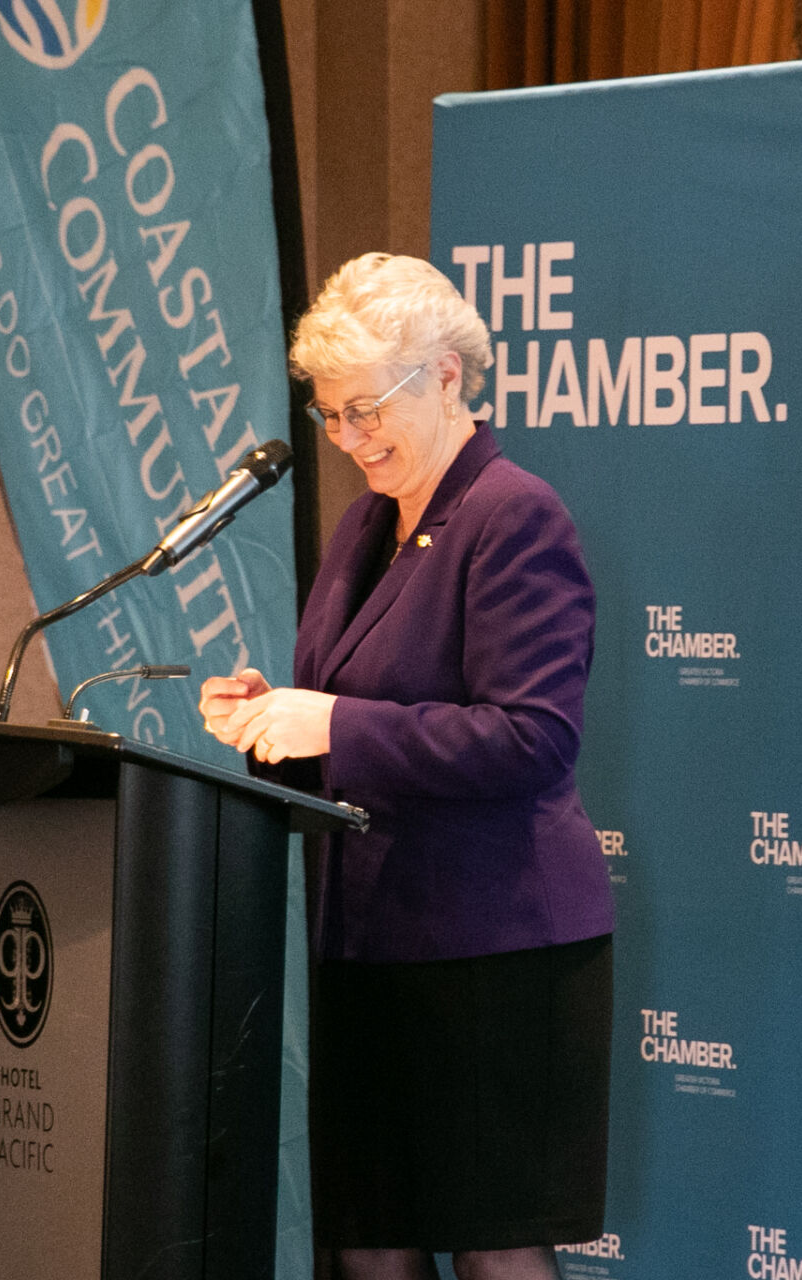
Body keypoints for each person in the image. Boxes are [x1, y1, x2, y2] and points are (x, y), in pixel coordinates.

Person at [199, 253, 614, 1280]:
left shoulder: (513, 514)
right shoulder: (365, 525)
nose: (350, 438)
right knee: (368, 1248)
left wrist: (334, 723)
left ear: (446, 375)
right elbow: (350, 720)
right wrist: (270, 721)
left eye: (367, 408)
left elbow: (532, 738)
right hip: (371, 943)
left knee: (493, 1250)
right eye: (332, 416)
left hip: (492, 947)